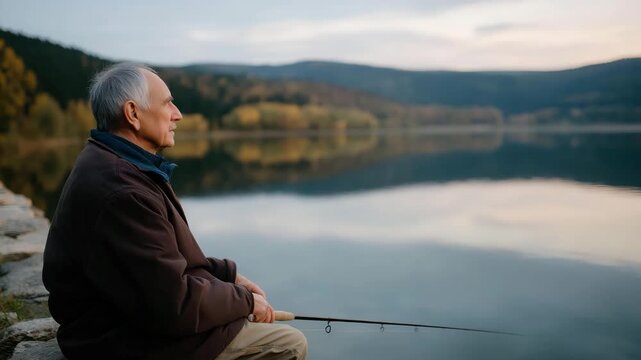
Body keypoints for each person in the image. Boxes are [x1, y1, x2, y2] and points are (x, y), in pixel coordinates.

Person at [43, 62, 307, 360]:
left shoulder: (116, 164)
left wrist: (227, 275)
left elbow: (162, 262)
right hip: (120, 341)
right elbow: (174, 305)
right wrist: (245, 302)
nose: (177, 114)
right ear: (133, 114)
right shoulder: (123, 190)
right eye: (168, 103)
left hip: (122, 325)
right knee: (288, 344)